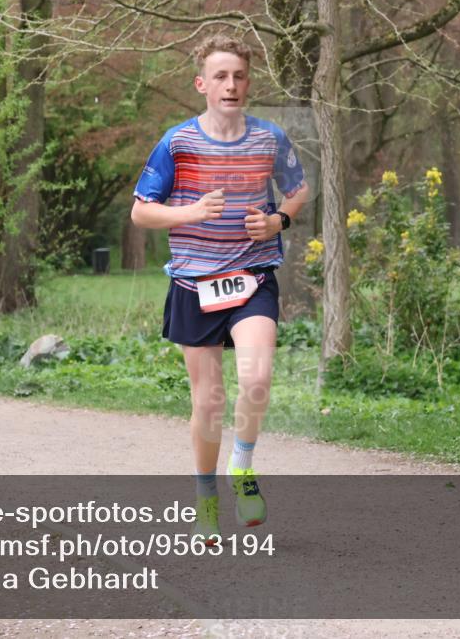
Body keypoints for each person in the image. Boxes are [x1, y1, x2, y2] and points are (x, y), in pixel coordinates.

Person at [131, 35, 309, 543]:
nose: (231, 85)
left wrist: (278, 220)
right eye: (221, 77)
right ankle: (205, 495)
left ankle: (243, 468)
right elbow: (141, 210)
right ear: (202, 84)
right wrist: (190, 212)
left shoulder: (270, 138)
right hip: (196, 283)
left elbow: (298, 191)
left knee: (257, 379)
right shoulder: (177, 143)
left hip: (253, 277)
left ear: (248, 82)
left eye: (239, 76)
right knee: (208, 402)